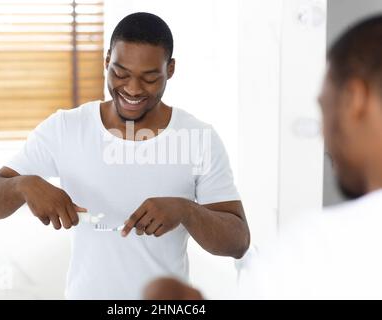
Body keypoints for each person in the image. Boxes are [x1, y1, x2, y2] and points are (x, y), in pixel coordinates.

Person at [0, 12, 250, 299]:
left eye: (150, 78)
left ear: (170, 69)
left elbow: (238, 242)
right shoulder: (66, 127)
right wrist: (23, 185)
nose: (132, 89)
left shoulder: (198, 138)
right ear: (106, 62)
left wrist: (186, 210)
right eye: (120, 73)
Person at [144, 14, 382, 300]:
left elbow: (239, 241)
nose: (323, 136)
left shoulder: (317, 253)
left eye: (325, 108)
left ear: (354, 99)